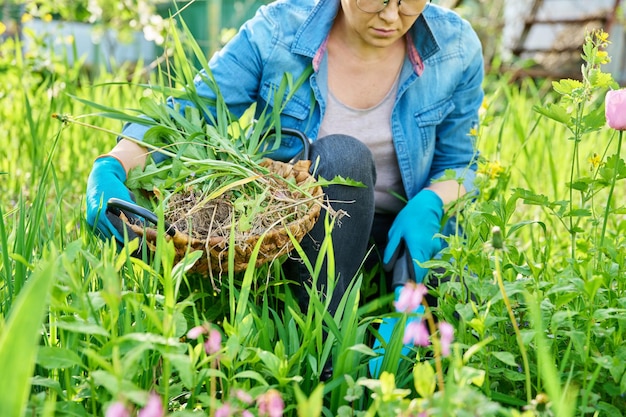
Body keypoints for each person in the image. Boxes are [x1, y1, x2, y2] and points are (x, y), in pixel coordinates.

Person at [86, 0, 484, 379]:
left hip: (402, 236)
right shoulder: (278, 31)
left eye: (409, 2)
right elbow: (190, 111)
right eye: (376, 1)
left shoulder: (455, 48)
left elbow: (461, 163)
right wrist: (114, 163)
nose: (392, 17)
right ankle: (325, 356)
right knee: (345, 158)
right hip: (307, 238)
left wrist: (431, 204)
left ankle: (403, 303)